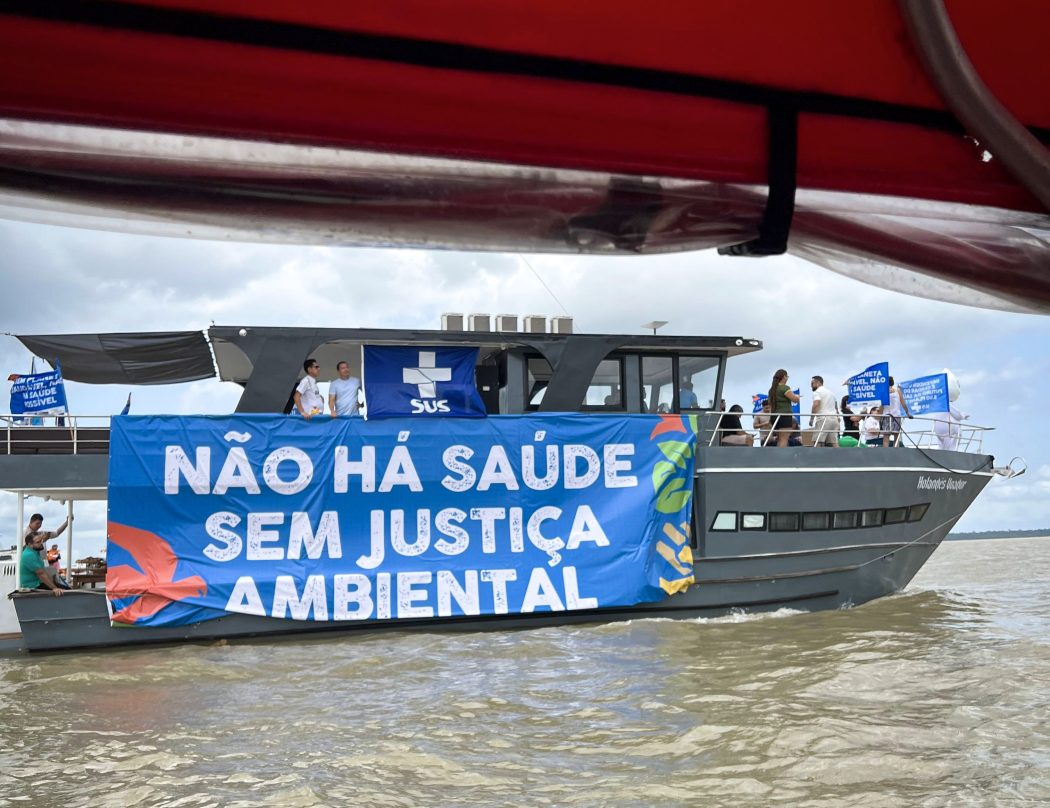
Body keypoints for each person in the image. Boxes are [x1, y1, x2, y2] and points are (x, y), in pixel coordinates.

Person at [768, 369, 800, 447]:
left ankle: (778, 455)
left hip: (774, 417)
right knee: (784, 439)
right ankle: (782, 456)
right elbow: (795, 400)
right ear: (784, 377)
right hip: (784, 416)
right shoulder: (784, 388)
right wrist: (797, 397)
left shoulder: (772, 390)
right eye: (787, 376)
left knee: (779, 438)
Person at [809, 375, 839, 447]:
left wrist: (811, 419)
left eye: (812, 384)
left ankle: (817, 457)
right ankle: (840, 456)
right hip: (834, 419)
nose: (811, 386)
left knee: (817, 442)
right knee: (833, 442)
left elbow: (816, 404)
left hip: (823, 419)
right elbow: (836, 408)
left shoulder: (817, 392)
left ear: (818, 382)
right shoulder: (831, 393)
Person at [883, 375, 913, 447]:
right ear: (892, 382)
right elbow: (903, 403)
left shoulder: (883, 391)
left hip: (886, 415)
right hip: (896, 415)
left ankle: (885, 453)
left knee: (886, 437)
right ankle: (895, 452)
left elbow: (881, 404)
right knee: (896, 436)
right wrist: (907, 413)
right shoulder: (897, 390)